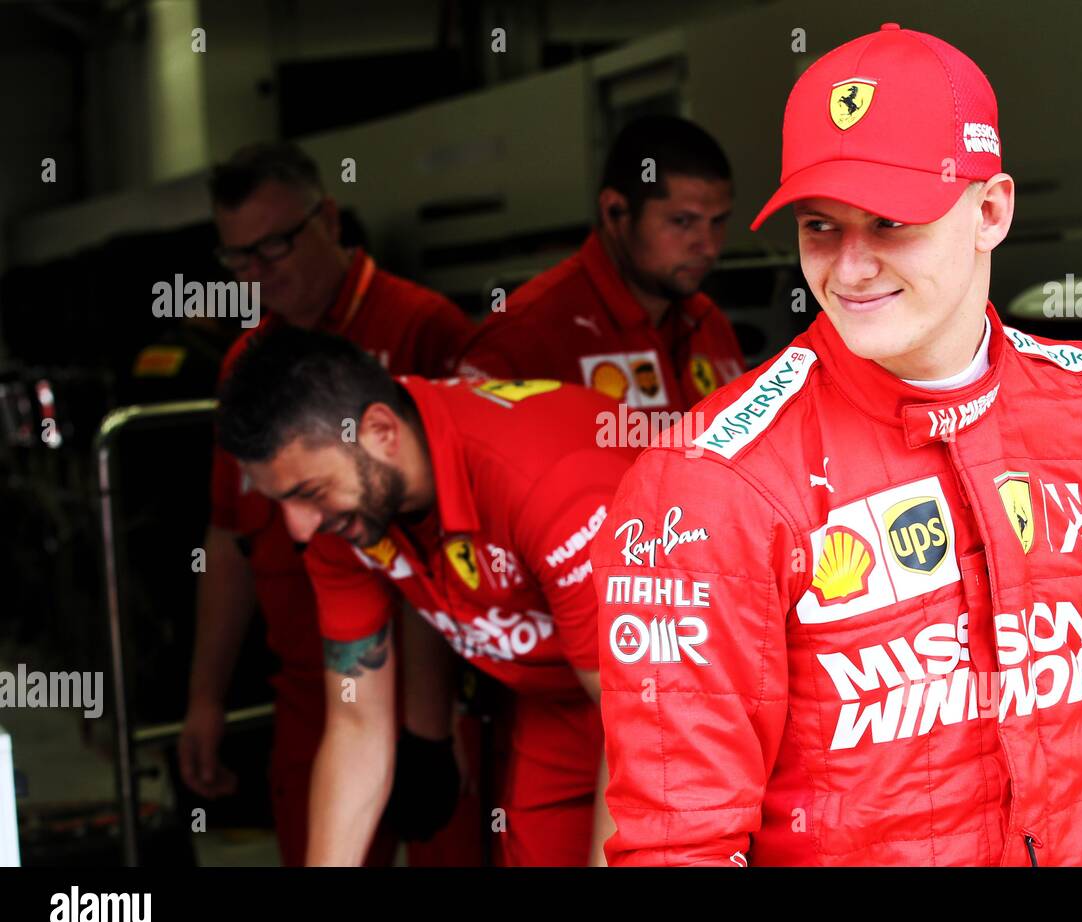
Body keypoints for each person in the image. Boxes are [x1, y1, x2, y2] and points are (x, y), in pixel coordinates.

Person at [590, 23, 1082, 866]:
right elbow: (684, 842)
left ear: (991, 210)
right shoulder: (707, 482)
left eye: (891, 220)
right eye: (821, 226)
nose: (850, 269)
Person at [214, 327, 639, 866]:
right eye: (281, 501)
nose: (298, 528)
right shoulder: (343, 519)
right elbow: (356, 722)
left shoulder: (548, 483)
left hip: (681, 698)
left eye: (308, 494)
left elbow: (644, 721)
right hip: (562, 702)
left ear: (380, 432)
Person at [178, 142, 476, 866]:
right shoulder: (245, 367)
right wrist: (206, 697)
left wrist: (429, 727)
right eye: (238, 259)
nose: (260, 274)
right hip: (313, 691)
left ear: (329, 218)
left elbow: (460, 529)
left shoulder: (424, 328)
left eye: (275, 246)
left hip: (442, 690)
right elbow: (229, 537)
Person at [456, 116, 746, 415]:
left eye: (718, 221)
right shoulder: (523, 338)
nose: (709, 246)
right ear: (614, 211)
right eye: (682, 222)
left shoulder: (711, 324)